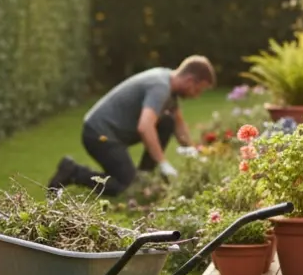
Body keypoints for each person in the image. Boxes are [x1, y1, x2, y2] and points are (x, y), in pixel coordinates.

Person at [47, 56, 215, 197]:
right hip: (99, 134)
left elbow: (178, 123)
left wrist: (194, 152)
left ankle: (144, 176)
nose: (196, 96)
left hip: (112, 133)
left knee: (167, 122)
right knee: (124, 186)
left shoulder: (168, 84)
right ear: (190, 80)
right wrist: (163, 163)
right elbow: (145, 127)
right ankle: (73, 172)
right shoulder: (160, 87)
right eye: (198, 90)